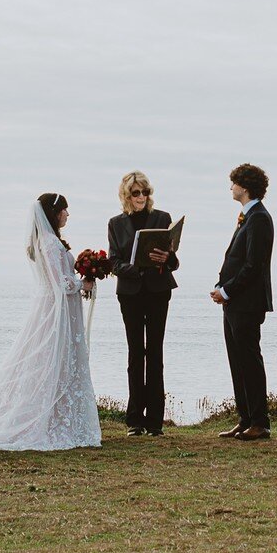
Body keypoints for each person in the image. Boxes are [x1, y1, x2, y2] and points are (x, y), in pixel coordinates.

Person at [0, 193, 102, 451]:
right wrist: (83, 283)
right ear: (55, 213)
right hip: (55, 310)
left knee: (57, 361)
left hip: (58, 307)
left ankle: (60, 415)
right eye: (65, 210)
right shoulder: (50, 243)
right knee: (50, 359)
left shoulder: (50, 241)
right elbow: (60, 283)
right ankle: (49, 420)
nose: (68, 214)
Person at [107, 171, 179, 437]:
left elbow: (174, 261)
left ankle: (155, 422)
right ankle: (135, 420)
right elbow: (114, 262)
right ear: (126, 195)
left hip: (159, 290)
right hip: (130, 292)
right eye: (135, 193)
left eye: (145, 192)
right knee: (136, 352)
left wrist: (165, 258)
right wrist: (134, 269)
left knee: (156, 352)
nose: (141, 197)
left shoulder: (162, 218)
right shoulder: (115, 223)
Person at [210, 163, 274, 441]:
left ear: (245, 187)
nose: (231, 187)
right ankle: (245, 418)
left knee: (249, 360)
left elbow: (253, 265)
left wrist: (228, 291)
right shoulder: (247, 217)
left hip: (247, 302)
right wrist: (220, 286)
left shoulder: (259, 218)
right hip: (234, 302)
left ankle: (260, 421)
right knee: (237, 360)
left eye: (234, 182)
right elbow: (234, 260)